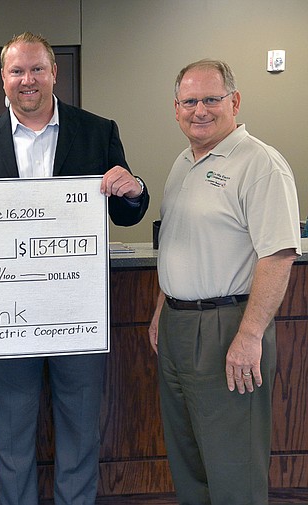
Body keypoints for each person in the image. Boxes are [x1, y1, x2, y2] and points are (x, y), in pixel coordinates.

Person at [0, 32, 149, 505]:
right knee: (10, 439)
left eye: (37, 69)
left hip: (78, 312)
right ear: (3, 78)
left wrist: (135, 186)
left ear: (54, 73)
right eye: (17, 71)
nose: (28, 80)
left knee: (81, 433)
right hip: (3, 316)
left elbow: (126, 211)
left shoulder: (98, 131)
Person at [148, 59, 301, 504]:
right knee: (188, 461)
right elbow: (177, 242)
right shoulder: (182, 162)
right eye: (190, 101)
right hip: (178, 327)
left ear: (234, 101)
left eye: (211, 99)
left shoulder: (261, 164)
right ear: (175, 108)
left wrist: (250, 335)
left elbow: (278, 255)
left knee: (233, 466)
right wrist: (162, 309)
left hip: (228, 326)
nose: (200, 110)